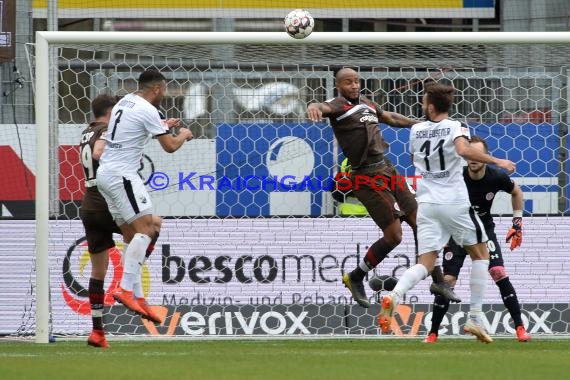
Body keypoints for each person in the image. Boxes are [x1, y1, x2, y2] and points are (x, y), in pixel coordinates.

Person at [307, 68, 459, 309]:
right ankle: (356, 277)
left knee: (422, 224)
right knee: (394, 236)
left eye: (357, 80)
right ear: (338, 86)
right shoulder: (336, 105)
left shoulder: (366, 103)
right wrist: (313, 106)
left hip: (387, 169)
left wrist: (419, 125)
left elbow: (390, 118)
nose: (354, 85)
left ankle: (439, 282)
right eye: (348, 82)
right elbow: (321, 107)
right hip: (366, 176)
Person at [378, 82, 516, 343]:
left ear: (430, 106)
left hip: (427, 203)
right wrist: (498, 160)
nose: (421, 104)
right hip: (453, 200)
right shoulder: (457, 126)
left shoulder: (416, 130)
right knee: (481, 253)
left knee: (426, 262)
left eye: (422, 100)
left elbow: (413, 159)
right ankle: (475, 317)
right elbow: (463, 150)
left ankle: (394, 295)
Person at [97, 69, 193, 320]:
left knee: (133, 237)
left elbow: (134, 127)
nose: (164, 94)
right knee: (148, 230)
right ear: (158, 89)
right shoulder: (149, 110)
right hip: (123, 175)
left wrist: (163, 125)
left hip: (106, 174)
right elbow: (170, 146)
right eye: (165, 89)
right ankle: (126, 289)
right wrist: (182, 133)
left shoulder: (125, 101)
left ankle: (138, 297)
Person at [424, 135, 530, 343]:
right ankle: (432, 334)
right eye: (470, 154)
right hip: (457, 231)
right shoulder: (457, 177)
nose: (473, 159)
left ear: (485, 156)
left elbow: (516, 192)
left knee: (498, 272)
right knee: (448, 281)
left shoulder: (496, 177)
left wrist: (517, 222)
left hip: (483, 230)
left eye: (478, 154)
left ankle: (520, 328)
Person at [80, 95, 163, 348]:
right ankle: (132, 292)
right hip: (105, 200)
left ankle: (97, 332)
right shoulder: (108, 130)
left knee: (98, 272)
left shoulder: (87, 131)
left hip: (88, 204)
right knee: (151, 226)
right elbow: (99, 152)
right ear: (112, 111)